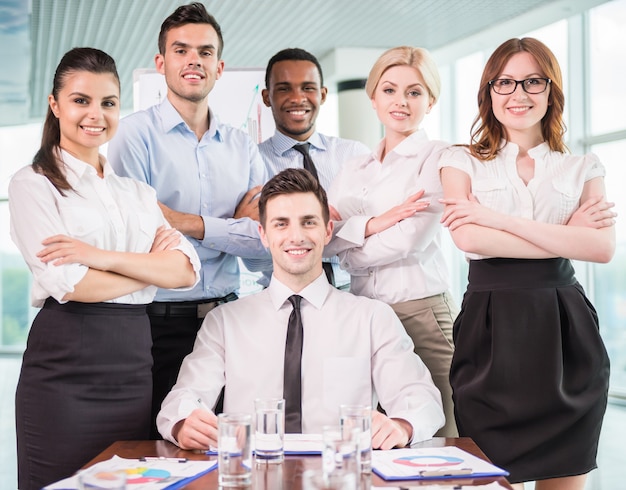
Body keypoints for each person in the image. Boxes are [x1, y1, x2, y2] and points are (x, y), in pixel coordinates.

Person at [9, 47, 200, 490]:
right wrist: (150, 272)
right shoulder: (32, 184)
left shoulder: (137, 192)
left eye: (108, 103)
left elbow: (187, 271)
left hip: (134, 366)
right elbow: (69, 282)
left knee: (131, 481)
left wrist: (99, 256)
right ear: (55, 105)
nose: (95, 114)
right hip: (64, 369)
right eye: (81, 100)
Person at [157, 168, 444, 450]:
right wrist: (184, 423)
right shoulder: (225, 321)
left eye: (308, 222)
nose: (296, 236)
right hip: (253, 475)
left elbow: (421, 399)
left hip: (340, 475)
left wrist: (401, 425)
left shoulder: (372, 317)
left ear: (328, 230)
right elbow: (184, 398)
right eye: (281, 224)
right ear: (264, 235)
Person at [439, 37, 616, 489]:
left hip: (565, 332)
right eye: (505, 82)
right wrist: (567, 237)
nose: (518, 94)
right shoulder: (459, 160)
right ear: (489, 92)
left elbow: (602, 249)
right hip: (490, 329)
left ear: (551, 89)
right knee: (488, 473)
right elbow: (467, 237)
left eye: (532, 81)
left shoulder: (582, 166)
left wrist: (496, 219)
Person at [107, 2, 269, 438]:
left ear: (219, 67)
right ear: (161, 63)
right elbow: (141, 232)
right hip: (154, 324)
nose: (193, 60)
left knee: (222, 446)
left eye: (204, 51)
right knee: (155, 448)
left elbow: (263, 241)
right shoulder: (131, 135)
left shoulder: (242, 146)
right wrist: (227, 226)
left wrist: (187, 223)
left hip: (227, 318)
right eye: (180, 50)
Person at [326, 46, 459, 436]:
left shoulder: (438, 157)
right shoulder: (354, 168)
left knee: (443, 433)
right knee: (381, 434)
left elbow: (409, 241)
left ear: (430, 101)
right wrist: (375, 224)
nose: (400, 101)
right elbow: (324, 236)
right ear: (373, 97)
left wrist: (349, 249)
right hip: (365, 314)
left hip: (421, 313)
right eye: (389, 90)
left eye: (414, 92)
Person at [257, 47, 370, 288]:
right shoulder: (253, 162)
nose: (297, 98)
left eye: (308, 88)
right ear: (267, 97)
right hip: (283, 295)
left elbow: (375, 226)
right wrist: (347, 228)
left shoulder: (354, 154)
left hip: (355, 291)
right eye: (284, 88)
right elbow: (252, 253)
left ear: (323, 94)